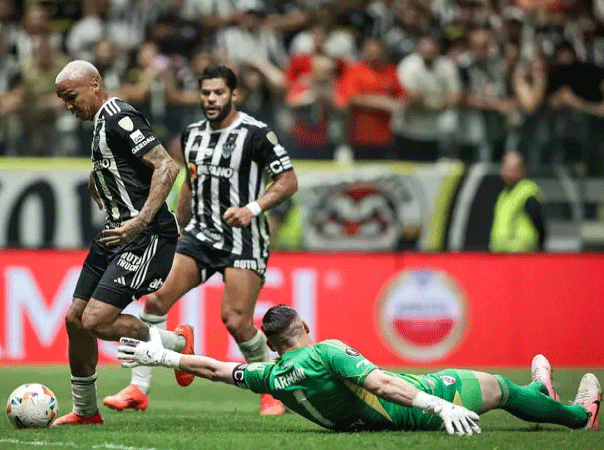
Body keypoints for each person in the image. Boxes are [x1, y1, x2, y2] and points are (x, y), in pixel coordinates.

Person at [104, 65, 298, 416]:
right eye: (205, 92)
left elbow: (287, 181)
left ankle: (271, 388)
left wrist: (252, 208)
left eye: (218, 93)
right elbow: (191, 185)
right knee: (156, 300)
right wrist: (177, 228)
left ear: (234, 95)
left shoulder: (256, 133)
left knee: (236, 320)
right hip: (199, 235)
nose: (210, 99)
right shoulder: (192, 135)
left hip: (243, 238)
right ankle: (138, 388)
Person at [117, 305, 601, 434]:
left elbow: (218, 369)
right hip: (423, 400)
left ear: (270, 343)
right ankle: (579, 415)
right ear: (303, 325)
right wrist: (436, 403)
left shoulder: (270, 377)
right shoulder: (326, 350)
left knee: (511, 391)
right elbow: (385, 384)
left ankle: (542, 392)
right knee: (500, 388)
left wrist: (159, 356)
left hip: (384, 413)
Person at [51, 60, 187, 426]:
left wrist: (140, 219)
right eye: (63, 99)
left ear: (95, 84)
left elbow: (166, 166)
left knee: (96, 320)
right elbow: (122, 163)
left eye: (71, 96)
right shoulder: (99, 125)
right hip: (114, 233)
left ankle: (173, 344)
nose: (68, 105)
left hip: (146, 235)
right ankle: (85, 412)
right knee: (75, 320)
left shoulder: (117, 115)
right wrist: (99, 178)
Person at [489, 151, 546, 252]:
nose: (509, 174)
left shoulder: (528, 191)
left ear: (523, 170)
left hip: (522, 254)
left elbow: (539, 224)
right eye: (506, 169)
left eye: (513, 170)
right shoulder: (504, 193)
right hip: (500, 254)